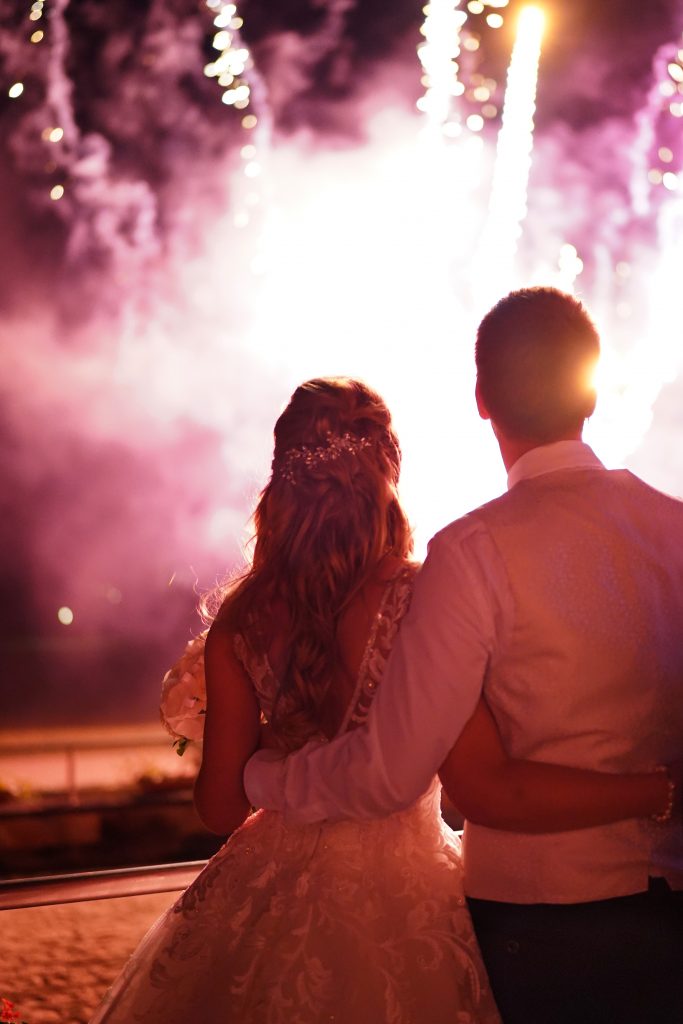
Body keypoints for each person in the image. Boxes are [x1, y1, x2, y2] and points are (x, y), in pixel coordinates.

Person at [92, 374, 677, 1024]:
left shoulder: (243, 616)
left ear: (281, 474)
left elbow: (219, 807)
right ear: (387, 473)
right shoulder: (417, 597)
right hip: (402, 888)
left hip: (265, 886)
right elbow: (463, 770)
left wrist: (261, 755)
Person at [244, 297, 683, 1024]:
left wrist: (265, 775)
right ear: (592, 391)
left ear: (481, 401)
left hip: (543, 920)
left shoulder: (471, 552)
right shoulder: (674, 528)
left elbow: (389, 773)